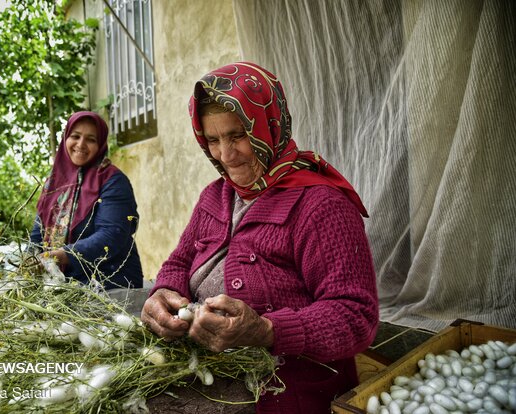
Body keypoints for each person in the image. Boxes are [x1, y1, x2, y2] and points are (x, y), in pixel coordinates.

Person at [141, 62, 378, 413]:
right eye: (212, 140)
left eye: (237, 135)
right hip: (210, 380)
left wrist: (267, 330)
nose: (225, 154)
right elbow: (180, 260)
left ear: (269, 126)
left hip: (285, 394)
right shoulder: (215, 196)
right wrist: (165, 293)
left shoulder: (321, 205)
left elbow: (355, 316)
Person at [29, 111, 143, 290]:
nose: (81, 144)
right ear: (66, 138)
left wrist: (60, 255)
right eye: (75, 136)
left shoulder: (112, 180)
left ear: (100, 144)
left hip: (109, 282)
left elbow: (111, 234)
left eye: (91, 139)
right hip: (61, 283)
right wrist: (28, 260)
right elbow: (38, 232)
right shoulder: (54, 182)